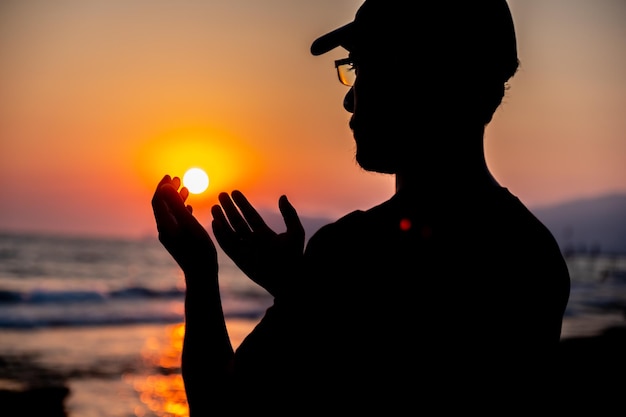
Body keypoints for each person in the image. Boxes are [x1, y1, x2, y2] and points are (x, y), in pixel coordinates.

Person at [151, 0, 571, 414]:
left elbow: (219, 405)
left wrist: (206, 274)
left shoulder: (350, 254)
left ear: (420, 76)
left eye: (363, 69)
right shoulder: (532, 253)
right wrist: (290, 290)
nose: (350, 103)